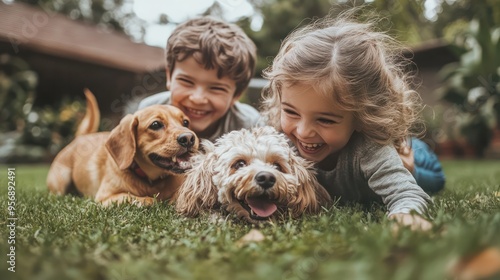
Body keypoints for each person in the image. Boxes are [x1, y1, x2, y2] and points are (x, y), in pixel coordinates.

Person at [261, 11, 434, 230]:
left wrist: (405, 215)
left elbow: (406, 193)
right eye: (291, 112)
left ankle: (412, 160)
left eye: (325, 120)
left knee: (427, 176)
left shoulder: (370, 149)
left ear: (363, 117)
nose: (303, 132)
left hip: (411, 160)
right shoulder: (280, 142)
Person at [137, 16, 261, 142]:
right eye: (186, 81)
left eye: (216, 88)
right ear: (169, 77)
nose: (197, 98)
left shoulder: (250, 125)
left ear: (237, 94)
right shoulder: (150, 112)